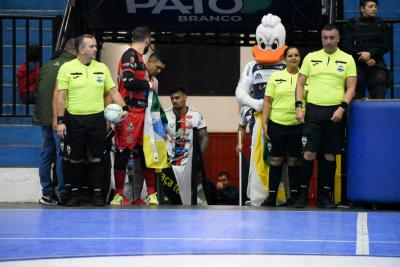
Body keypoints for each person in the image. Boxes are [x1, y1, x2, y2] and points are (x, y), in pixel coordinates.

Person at [56, 34, 128, 207]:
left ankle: (97, 195)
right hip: (74, 120)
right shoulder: (66, 68)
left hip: (96, 119)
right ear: (82, 50)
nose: (96, 49)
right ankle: (75, 195)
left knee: (97, 158)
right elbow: (61, 98)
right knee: (75, 159)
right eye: (92, 46)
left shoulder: (102, 68)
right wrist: (60, 121)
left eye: (96, 46)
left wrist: (124, 109)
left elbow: (113, 92)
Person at [294, 24, 357, 209]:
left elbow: (351, 87)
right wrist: (299, 107)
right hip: (313, 111)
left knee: (329, 155)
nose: (328, 41)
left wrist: (342, 108)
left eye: (332, 37)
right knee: (308, 153)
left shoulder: (347, 59)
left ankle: (325, 196)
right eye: (325, 37)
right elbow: (299, 84)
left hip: (335, 113)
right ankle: (302, 195)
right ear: (321, 38)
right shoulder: (311, 58)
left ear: (338, 39)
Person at [112, 26, 157, 206]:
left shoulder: (139, 59)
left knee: (146, 153)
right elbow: (128, 83)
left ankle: (151, 194)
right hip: (129, 113)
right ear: (147, 39)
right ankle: (118, 195)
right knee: (123, 152)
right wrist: (148, 84)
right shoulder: (129, 56)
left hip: (142, 113)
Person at [32, 38, 76, 205]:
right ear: (75, 51)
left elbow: (37, 91)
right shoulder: (72, 66)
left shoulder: (47, 65)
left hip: (44, 118)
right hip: (60, 118)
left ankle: (47, 194)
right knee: (62, 155)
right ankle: (64, 193)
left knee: (46, 155)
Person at [261, 46, 303, 207]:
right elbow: (267, 101)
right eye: (290, 55)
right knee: (276, 161)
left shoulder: (305, 77)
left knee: (294, 161)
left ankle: (294, 198)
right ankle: (271, 197)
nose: (293, 58)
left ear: (300, 58)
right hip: (276, 124)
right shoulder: (275, 77)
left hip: (296, 126)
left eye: (296, 55)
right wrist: (265, 123)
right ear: (284, 59)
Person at [124, 52, 166, 206]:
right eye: (158, 67)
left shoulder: (154, 81)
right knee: (127, 160)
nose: (159, 71)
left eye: (162, 69)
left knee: (147, 158)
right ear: (150, 62)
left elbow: (153, 106)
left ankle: (151, 194)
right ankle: (124, 196)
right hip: (130, 120)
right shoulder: (137, 75)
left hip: (146, 126)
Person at [165, 87, 209, 205]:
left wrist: (196, 156)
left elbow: (204, 137)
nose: (174, 101)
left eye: (177, 98)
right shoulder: (165, 115)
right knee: (171, 197)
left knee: (190, 198)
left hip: (189, 164)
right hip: (170, 164)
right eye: (172, 98)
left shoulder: (196, 115)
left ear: (185, 97)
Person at [342, 0, 390, 99]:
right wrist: (364, 57)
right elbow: (346, 45)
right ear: (362, 8)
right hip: (357, 63)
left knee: (380, 80)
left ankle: (378, 112)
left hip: (376, 63)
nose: (374, 9)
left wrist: (371, 54)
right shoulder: (352, 24)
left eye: (375, 7)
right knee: (355, 87)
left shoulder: (381, 24)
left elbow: (386, 45)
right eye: (371, 6)